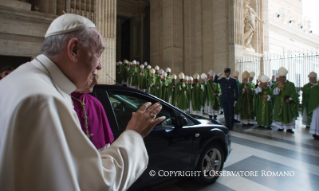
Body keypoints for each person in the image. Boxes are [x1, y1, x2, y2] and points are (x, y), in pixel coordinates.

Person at [0, 14, 166, 191]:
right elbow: (96, 185)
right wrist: (134, 134)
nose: (100, 66)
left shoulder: (21, 79)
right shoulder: (45, 99)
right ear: (74, 50)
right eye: (98, 53)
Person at [71, 70, 114, 151]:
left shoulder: (96, 103)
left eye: (96, 77)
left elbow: (106, 147)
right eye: (92, 77)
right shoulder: (63, 102)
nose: (96, 82)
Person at [272, 67, 298, 133]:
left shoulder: (291, 84)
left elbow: (294, 93)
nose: (281, 79)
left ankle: (289, 128)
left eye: (283, 77)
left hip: (287, 103)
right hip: (279, 103)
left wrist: (290, 99)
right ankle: (280, 127)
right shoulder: (276, 84)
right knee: (280, 114)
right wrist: (278, 87)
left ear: (285, 77)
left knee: (288, 114)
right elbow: (274, 93)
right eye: (280, 77)